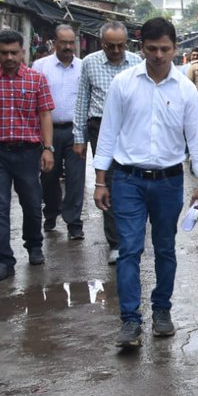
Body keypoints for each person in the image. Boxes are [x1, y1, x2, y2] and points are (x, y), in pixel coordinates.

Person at [92, 17, 198, 349]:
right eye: (151, 49)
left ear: (175, 48)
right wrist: (101, 180)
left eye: (165, 49)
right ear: (141, 47)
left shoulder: (185, 89)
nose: (158, 55)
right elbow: (108, 133)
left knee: (165, 249)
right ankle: (130, 321)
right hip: (127, 179)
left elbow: (196, 140)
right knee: (128, 250)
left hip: (170, 182)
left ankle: (162, 311)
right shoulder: (124, 84)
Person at [0, 29, 56, 282]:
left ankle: (34, 245)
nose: (9, 57)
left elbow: (44, 114)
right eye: (4, 52)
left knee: (31, 204)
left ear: (22, 52)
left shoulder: (36, 80)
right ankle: (4, 260)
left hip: (28, 152)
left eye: (14, 52)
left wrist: (47, 148)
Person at [73, 21, 142, 265]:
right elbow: (82, 100)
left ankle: (133, 236)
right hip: (100, 127)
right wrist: (79, 137)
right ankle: (116, 243)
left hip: (131, 128)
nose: (115, 51)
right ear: (102, 43)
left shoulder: (137, 62)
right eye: (110, 46)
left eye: (120, 46)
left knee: (134, 181)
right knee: (108, 183)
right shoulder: (90, 62)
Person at [32, 24, 85, 240]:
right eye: (63, 42)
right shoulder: (40, 66)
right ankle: (51, 213)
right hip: (48, 131)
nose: (68, 46)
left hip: (75, 131)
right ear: (54, 43)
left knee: (76, 178)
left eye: (71, 42)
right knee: (48, 176)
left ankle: (74, 222)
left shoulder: (84, 67)